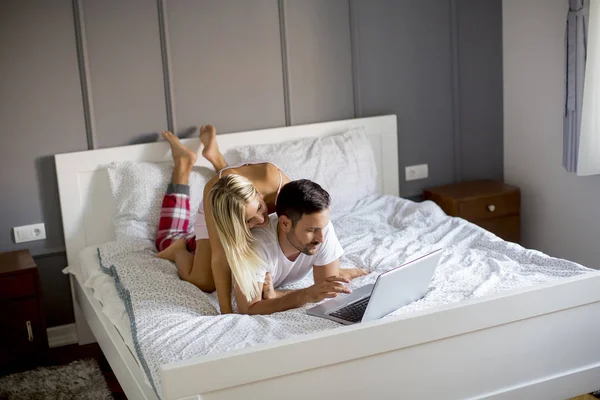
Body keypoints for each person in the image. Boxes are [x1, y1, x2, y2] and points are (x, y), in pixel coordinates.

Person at [155, 126, 366, 314]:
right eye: (249, 222)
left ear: (259, 194)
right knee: (204, 281)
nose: (262, 220)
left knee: (244, 198)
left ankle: (217, 159)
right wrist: (227, 313)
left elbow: (307, 212)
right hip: (223, 205)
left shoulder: (273, 179)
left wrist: (329, 264)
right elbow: (220, 258)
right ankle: (179, 246)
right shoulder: (216, 203)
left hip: (241, 192)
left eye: (261, 209)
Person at [236, 179, 362, 315]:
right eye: (311, 230)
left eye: (323, 227)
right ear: (285, 224)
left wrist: (277, 295)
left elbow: (326, 290)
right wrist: (304, 295)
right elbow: (248, 308)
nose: (321, 238)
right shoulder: (256, 246)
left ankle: (336, 267)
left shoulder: (321, 228)